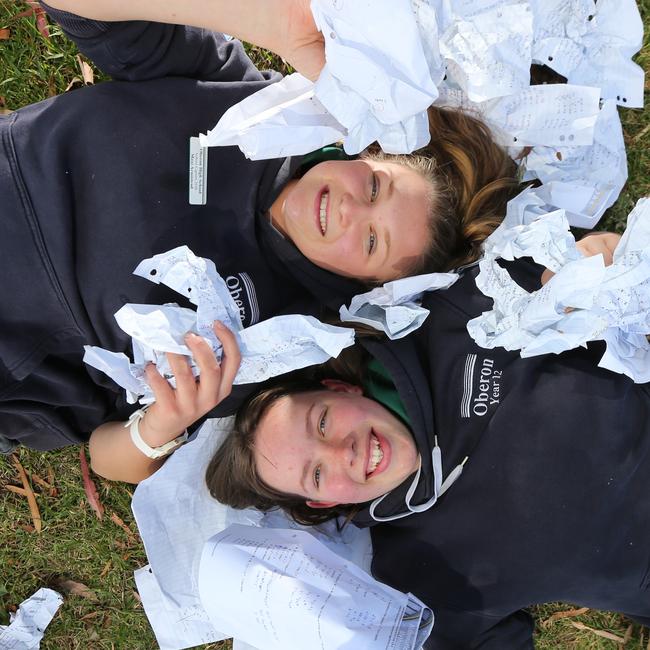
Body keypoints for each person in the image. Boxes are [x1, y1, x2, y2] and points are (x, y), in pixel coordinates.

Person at [0, 0, 519, 454]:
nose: (346, 212)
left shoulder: (278, 343)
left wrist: (158, 427)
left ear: (371, 285)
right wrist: (275, 21)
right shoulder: (240, 97)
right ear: (368, 148)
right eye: (375, 187)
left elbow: (105, 453)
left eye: (370, 241)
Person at [202, 232, 650, 649]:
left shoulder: (450, 323)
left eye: (322, 424)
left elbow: (578, 265)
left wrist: (594, 263)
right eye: (316, 474)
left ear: (340, 390)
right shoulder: (416, 573)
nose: (344, 452)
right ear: (319, 504)